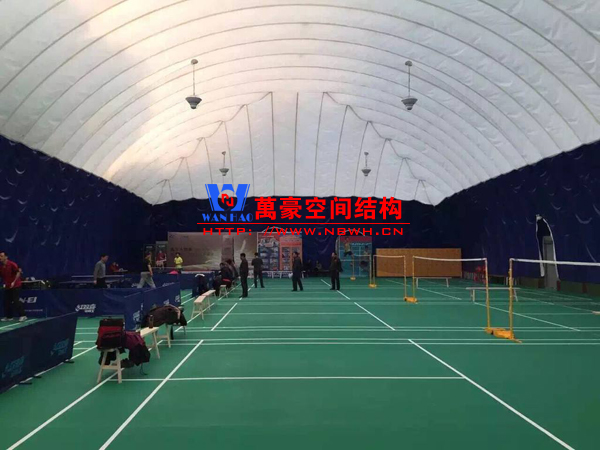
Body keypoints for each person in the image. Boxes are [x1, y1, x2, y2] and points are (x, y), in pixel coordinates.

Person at [0, 252, 26, 322]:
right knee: (6, 301)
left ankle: (23, 315)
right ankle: (9, 317)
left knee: (15, 300)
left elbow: (18, 272)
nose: (0, 257)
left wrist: (14, 282)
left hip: (16, 285)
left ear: (6, 257)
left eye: (1, 256)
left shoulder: (12, 264)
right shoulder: (1, 267)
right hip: (7, 286)